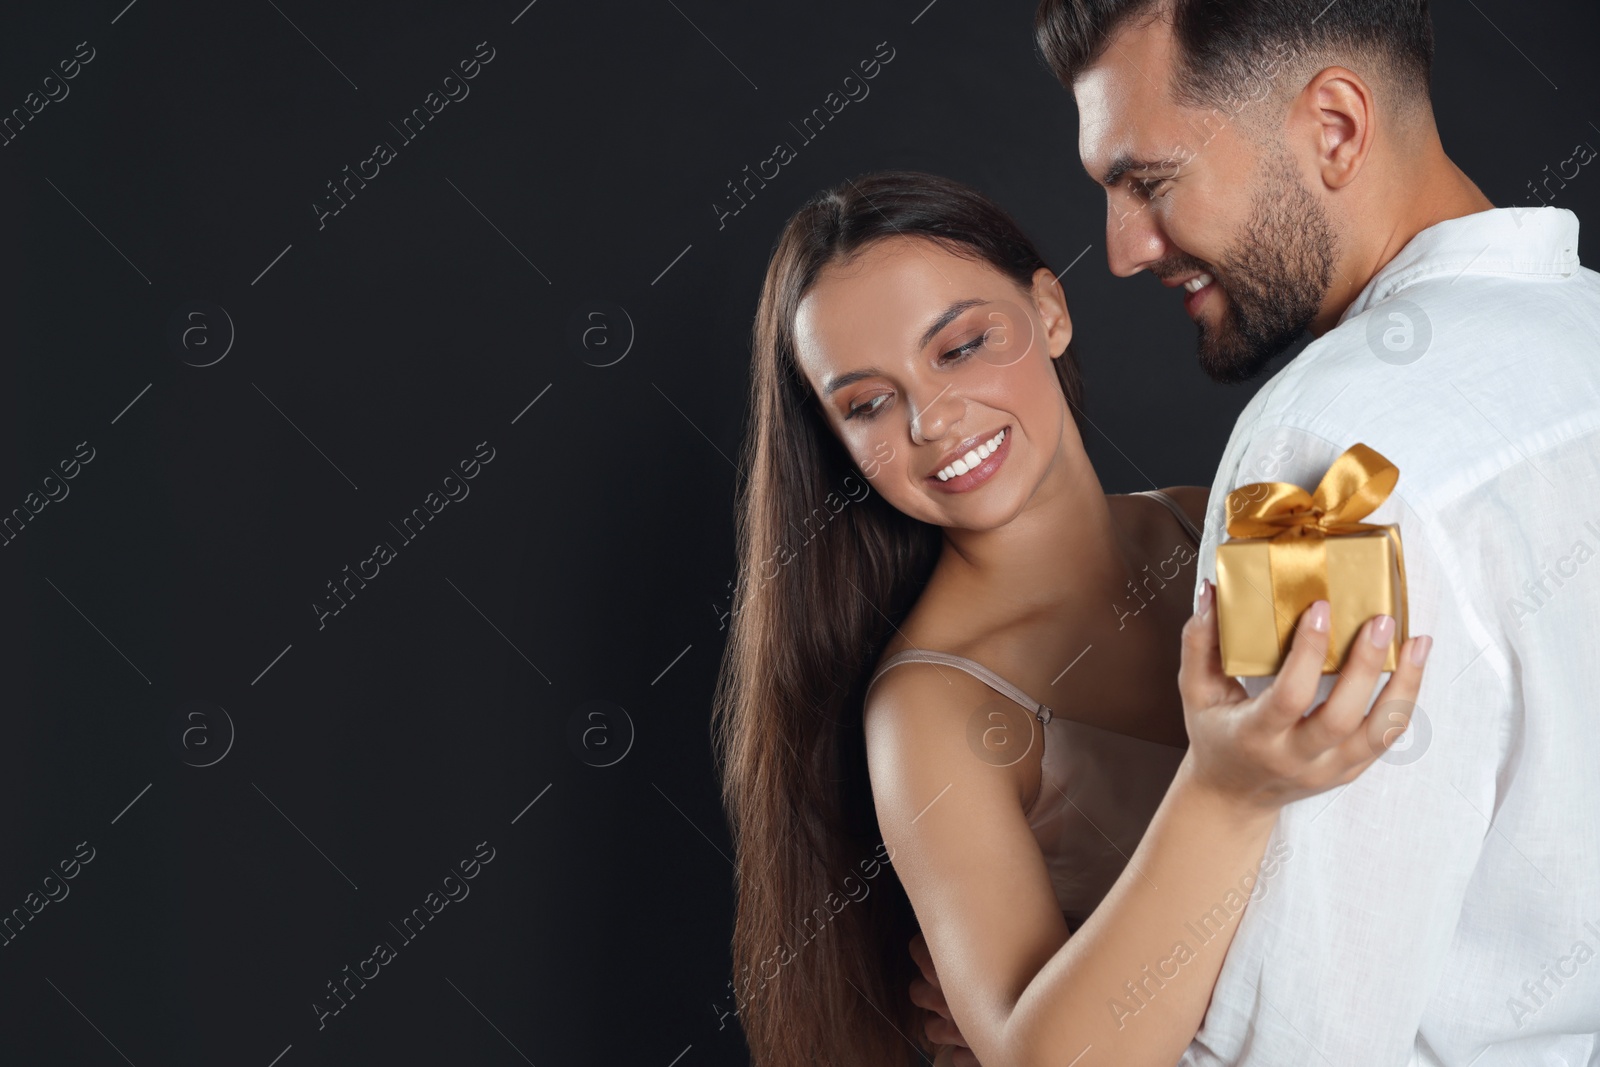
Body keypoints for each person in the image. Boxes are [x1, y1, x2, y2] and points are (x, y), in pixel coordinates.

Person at [910, 2, 1600, 1063]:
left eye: (1147, 181)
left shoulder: (1322, 452)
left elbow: (1297, 1033)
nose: (1122, 250)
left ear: (1332, 127)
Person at [711, 168, 1430, 1067]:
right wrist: (1229, 787)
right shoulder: (931, 708)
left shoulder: (1212, 522)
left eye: (962, 346)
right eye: (868, 403)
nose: (933, 419)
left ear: (1049, 311)